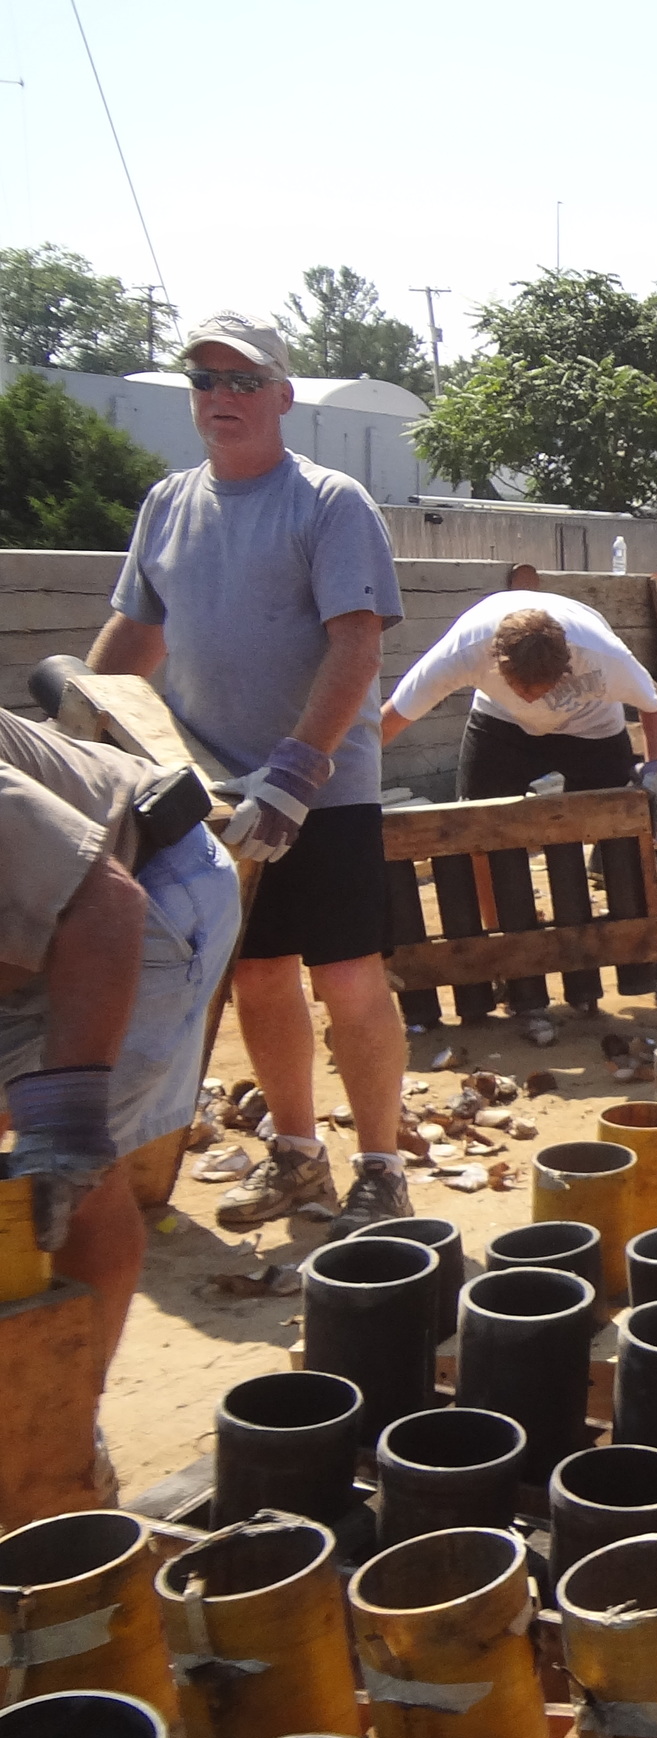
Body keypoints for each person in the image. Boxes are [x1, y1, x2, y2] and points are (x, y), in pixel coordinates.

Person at [86, 311, 413, 1238]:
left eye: (241, 380)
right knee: (260, 978)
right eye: (205, 379)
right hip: (214, 795)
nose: (220, 396)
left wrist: (296, 772)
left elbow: (356, 646)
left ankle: (382, 1169)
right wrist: (79, 730)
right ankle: (299, 1158)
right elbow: (135, 637)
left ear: (282, 395)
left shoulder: (329, 502)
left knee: (347, 977)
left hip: (323, 790)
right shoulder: (167, 504)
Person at [0, 711, 241, 1416]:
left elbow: (105, 904)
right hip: (56, 911)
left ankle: (67, 1434)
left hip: (145, 891)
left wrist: (63, 1127)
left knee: (71, 1179)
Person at [381, 567, 657, 1029]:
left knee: (627, 837)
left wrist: (655, 770)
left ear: (567, 666)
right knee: (477, 832)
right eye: (522, 690)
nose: (533, 700)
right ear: (496, 662)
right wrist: (339, 782)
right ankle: (506, 957)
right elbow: (389, 720)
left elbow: (655, 701)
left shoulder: (603, 656)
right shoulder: (465, 648)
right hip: (501, 728)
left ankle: (655, 959)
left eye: (542, 690)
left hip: (591, 729)